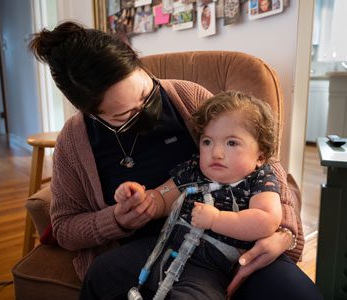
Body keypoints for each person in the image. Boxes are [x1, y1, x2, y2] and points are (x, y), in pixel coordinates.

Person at [28, 21, 322, 300]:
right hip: (153, 251)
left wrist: (283, 231)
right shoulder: (73, 142)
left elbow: (262, 161)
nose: (147, 114)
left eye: (146, 94)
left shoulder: (188, 97)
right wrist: (118, 218)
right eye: (123, 116)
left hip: (238, 240)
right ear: (91, 113)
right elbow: (65, 228)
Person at [114, 91, 283, 298]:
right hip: (164, 247)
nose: (216, 153)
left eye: (231, 143)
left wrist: (216, 220)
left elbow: (266, 220)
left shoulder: (260, 178)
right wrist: (139, 196)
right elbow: (161, 198)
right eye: (207, 142)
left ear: (261, 155)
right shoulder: (194, 169)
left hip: (211, 264)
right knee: (104, 270)